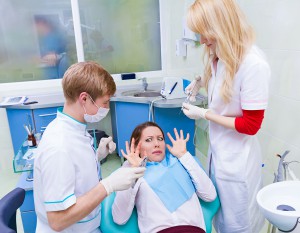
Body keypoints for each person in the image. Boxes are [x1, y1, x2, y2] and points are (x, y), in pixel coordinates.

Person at [182, 1, 271, 232]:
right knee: (221, 221)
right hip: (219, 155)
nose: (201, 40)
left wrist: (204, 114)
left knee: (238, 225)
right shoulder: (220, 54)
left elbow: (251, 125)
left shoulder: (253, 64)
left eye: (204, 32)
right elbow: (220, 82)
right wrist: (199, 81)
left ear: (220, 25)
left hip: (237, 163)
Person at [33, 61, 146, 233]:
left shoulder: (74, 128)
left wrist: (96, 157)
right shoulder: (58, 145)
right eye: (105, 102)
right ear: (84, 98)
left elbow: (73, 172)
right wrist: (107, 185)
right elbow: (57, 220)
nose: (107, 108)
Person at [112, 121, 217, 233]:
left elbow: (210, 195)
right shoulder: (132, 171)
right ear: (137, 146)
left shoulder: (182, 162)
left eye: (160, 138)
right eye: (148, 140)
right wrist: (133, 171)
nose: (157, 143)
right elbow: (119, 218)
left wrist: (184, 155)